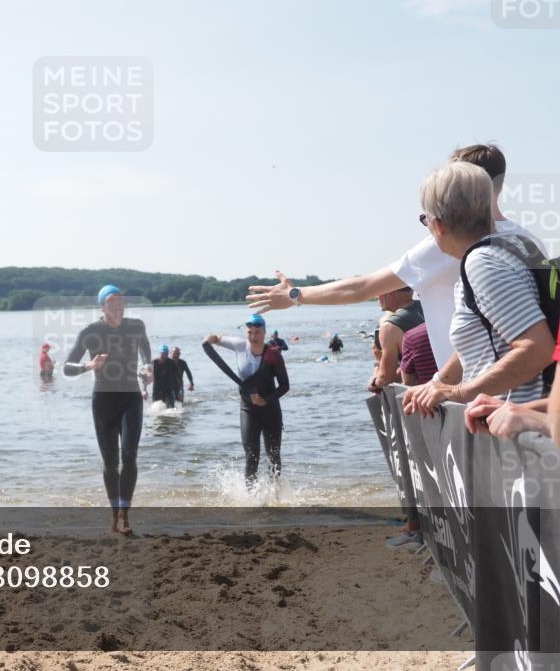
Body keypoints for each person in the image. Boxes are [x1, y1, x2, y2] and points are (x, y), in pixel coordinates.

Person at [248, 144, 543, 376]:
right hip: (526, 388)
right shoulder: (528, 240)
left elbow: (361, 288)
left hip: (478, 396)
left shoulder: (448, 243)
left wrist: (295, 295)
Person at [402, 162, 554, 415]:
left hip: (512, 425)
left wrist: (459, 392)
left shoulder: (483, 264)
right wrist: (437, 383)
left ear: (439, 225)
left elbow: (538, 349)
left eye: (425, 219)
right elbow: (481, 341)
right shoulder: (512, 245)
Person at [64, 285, 151, 535]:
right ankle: (114, 513)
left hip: (131, 398)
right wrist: (89, 366)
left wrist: (148, 368)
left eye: (121, 301)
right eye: (112, 302)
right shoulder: (91, 331)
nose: (118, 305)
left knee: (130, 455)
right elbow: (67, 367)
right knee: (111, 462)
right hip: (104, 401)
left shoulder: (137, 326)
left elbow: (145, 352)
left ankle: (125, 514)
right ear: (102, 307)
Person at [202, 314, 290, 490]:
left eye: (257, 332)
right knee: (251, 456)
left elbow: (285, 386)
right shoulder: (240, 345)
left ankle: (275, 493)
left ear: (264, 333)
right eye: (250, 332)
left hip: (270, 410)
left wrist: (266, 400)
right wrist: (208, 339)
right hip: (248, 409)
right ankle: (250, 496)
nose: (253, 336)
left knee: (273, 456)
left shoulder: (273, 355)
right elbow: (217, 338)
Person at [367, 288, 424, 393]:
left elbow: (385, 379)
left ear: (391, 293)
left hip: (420, 393)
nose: (376, 297)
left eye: (378, 292)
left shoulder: (390, 327)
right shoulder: (427, 307)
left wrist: (374, 381)